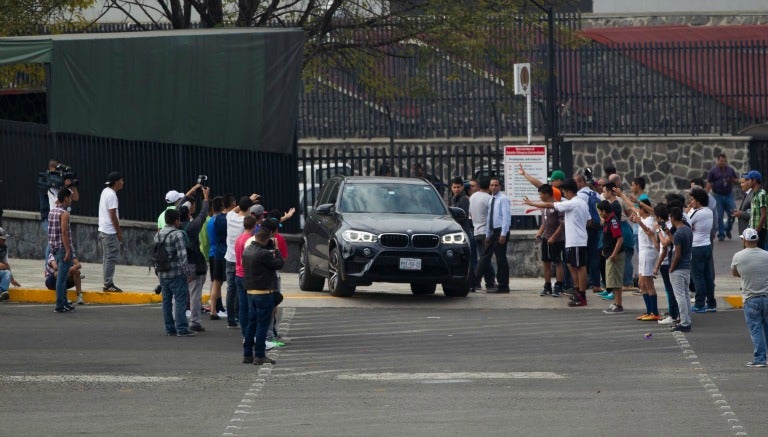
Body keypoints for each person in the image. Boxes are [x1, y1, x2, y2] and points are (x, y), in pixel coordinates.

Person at [525, 179, 590, 307]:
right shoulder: (582, 203)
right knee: (572, 265)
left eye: (564, 192)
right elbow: (588, 220)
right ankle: (578, 291)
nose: (564, 195)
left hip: (577, 240)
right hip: (573, 240)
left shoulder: (574, 203)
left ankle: (581, 295)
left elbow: (551, 205)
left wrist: (532, 203)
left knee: (580, 267)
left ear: (570, 191)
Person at [241, 221, 284, 365]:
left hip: (251, 292)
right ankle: (259, 354)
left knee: (251, 324)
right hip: (263, 293)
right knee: (262, 325)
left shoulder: (247, 250)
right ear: (266, 240)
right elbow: (279, 264)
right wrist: (276, 250)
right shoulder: (264, 254)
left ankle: (247, 354)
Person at [155, 209, 196, 337]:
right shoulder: (177, 234)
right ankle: (182, 328)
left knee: (166, 301)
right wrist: (187, 273)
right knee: (180, 300)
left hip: (162, 273)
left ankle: (169, 328)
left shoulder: (158, 234)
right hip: (176, 273)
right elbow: (182, 256)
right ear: (176, 220)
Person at [731, 228, 768, 368]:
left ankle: (760, 358)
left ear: (745, 240)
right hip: (767, 296)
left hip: (751, 298)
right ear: (757, 239)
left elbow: (735, 273)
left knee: (756, 329)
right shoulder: (766, 255)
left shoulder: (738, 256)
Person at [225, 194, 260, 329]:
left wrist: (247, 201)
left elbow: (234, 210)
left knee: (231, 289)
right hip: (241, 259)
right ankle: (239, 316)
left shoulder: (230, 217)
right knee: (242, 291)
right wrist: (249, 202)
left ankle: (230, 319)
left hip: (229, 257)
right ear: (250, 208)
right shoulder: (247, 222)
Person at [179, 186, 210, 332]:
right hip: (193, 263)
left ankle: (176, 319)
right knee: (195, 294)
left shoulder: (175, 225)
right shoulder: (192, 227)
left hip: (179, 263)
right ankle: (195, 322)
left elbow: (179, 207)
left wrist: (191, 192)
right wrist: (205, 197)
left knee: (177, 294)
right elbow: (203, 214)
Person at [48, 188, 78, 313]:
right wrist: (67, 250)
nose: (71, 200)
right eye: (70, 197)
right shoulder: (64, 213)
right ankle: (60, 305)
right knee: (61, 278)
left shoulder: (52, 212)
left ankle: (64, 302)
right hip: (62, 248)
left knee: (63, 277)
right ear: (65, 198)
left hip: (54, 248)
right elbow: (64, 232)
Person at [478, 177, 511, 293]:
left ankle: (503, 285)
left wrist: (503, 234)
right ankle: (476, 281)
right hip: (492, 231)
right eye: (492, 185)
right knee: (487, 256)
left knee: (501, 258)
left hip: (501, 230)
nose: (493, 187)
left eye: (496, 185)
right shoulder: (491, 199)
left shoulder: (503, 199)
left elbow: (506, 218)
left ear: (500, 186)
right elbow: (489, 217)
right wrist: (487, 234)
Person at [687, 187, 716, 313]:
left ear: (697, 200)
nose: (691, 202)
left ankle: (699, 304)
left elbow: (685, 224)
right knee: (708, 276)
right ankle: (711, 303)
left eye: (692, 199)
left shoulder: (696, 213)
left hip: (696, 247)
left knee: (697, 277)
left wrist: (689, 211)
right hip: (707, 245)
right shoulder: (709, 211)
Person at [533, 184, 564, 297]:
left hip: (557, 239)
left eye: (541, 194)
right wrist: (540, 232)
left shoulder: (557, 205)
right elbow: (544, 223)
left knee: (558, 262)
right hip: (546, 239)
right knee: (546, 262)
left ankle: (559, 286)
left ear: (547, 194)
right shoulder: (543, 207)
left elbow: (562, 224)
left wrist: (554, 237)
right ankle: (547, 286)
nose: (540, 196)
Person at [468, 177, 495, 290]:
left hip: (476, 230)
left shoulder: (473, 197)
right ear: (489, 187)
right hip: (486, 232)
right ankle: (486, 282)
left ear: (479, 186)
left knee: (482, 258)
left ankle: (478, 282)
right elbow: (492, 216)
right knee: (485, 259)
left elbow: (470, 213)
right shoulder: (489, 198)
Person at [98, 171, 124, 292]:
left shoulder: (105, 191)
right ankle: (108, 283)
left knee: (107, 256)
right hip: (109, 230)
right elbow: (113, 215)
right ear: (116, 182)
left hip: (104, 229)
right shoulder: (112, 195)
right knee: (111, 257)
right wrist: (118, 231)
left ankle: (107, 281)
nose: (122, 183)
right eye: (121, 180)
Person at [669, 206, 693, 332]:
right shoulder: (688, 230)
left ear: (672, 218)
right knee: (685, 295)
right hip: (687, 266)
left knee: (680, 296)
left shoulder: (678, 233)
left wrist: (671, 268)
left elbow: (677, 253)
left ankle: (684, 322)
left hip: (678, 268)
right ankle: (687, 319)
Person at [597, 200, 624, 314]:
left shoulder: (613, 221)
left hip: (615, 255)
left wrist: (613, 254)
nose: (600, 214)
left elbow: (619, 239)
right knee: (612, 281)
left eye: (600, 211)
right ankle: (616, 303)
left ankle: (619, 305)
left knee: (615, 281)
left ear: (604, 211)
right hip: (609, 253)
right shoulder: (607, 221)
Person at [448, 177, 474, 288]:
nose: (456, 189)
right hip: (455, 232)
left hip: (463, 231)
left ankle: (473, 282)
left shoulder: (463, 199)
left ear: (462, 187)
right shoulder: (452, 198)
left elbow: (462, 216)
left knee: (469, 260)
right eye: (454, 187)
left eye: (458, 187)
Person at [706, 153, 738, 241]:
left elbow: (736, 180)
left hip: (728, 195)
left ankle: (727, 229)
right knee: (719, 216)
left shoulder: (730, 170)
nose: (723, 162)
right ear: (717, 161)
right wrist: (706, 195)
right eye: (721, 161)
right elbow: (709, 183)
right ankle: (721, 234)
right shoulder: (713, 171)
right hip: (717, 196)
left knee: (733, 213)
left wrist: (732, 179)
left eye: (724, 161)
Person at [206, 196, 227, 319]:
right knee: (217, 282)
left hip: (212, 252)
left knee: (216, 282)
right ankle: (216, 308)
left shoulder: (210, 221)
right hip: (218, 253)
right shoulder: (218, 220)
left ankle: (218, 307)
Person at [743, 170, 768, 249]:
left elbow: (764, 215)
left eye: (749, 180)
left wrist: (756, 232)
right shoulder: (754, 195)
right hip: (753, 230)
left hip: (760, 230)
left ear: (754, 181)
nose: (747, 182)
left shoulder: (762, 194)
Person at [0, 227, 21, 302]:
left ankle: (2, 292)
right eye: (2, 238)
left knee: (7, 273)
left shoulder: (4, 248)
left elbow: (6, 264)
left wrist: (12, 279)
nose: (4, 240)